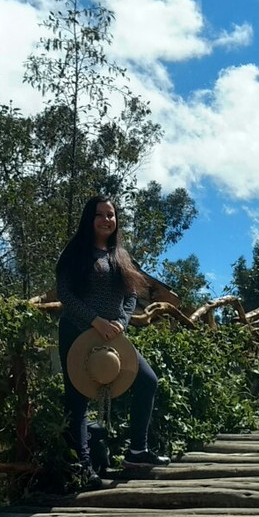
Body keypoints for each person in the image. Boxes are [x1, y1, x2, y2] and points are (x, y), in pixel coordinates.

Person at [56, 195, 170, 487]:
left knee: (147, 381)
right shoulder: (75, 253)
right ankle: (83, 467)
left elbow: (132, 294)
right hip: (78, 332)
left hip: (114, 336)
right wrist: (95, 320)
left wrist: (122, 321)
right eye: (100, 215)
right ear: (89, 219)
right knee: (77, 400)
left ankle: (136, 452)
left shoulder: (121, 255)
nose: (106, 220)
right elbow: (65, 295)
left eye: (111, 215)